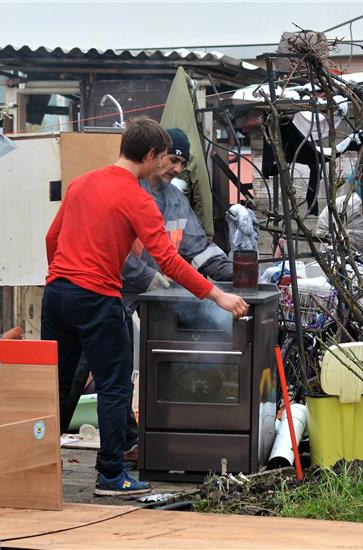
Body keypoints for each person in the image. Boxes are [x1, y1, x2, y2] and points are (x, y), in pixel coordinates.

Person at [42, 117, 248, 496]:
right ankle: (110, 476)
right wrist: (218, 296)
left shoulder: (81, 183)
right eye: (164, 158)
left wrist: (59, 277)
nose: (165, 167)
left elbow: (52, 237)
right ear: (150, 154)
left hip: (56, 295)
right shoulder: (138, 197)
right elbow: (168, 261)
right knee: (114, 386)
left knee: (52, 385)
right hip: (98, 299)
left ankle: (34, 467)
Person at [121, 127, 233, 315]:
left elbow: (199, 249)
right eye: (173, 160)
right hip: (118, 290)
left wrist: (235, 271)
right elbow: (112, 250)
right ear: (155, 155)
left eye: (182, 163)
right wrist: (146, 276)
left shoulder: (177, 201)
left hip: (157, 291)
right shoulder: (130, 192)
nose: (178, 169)